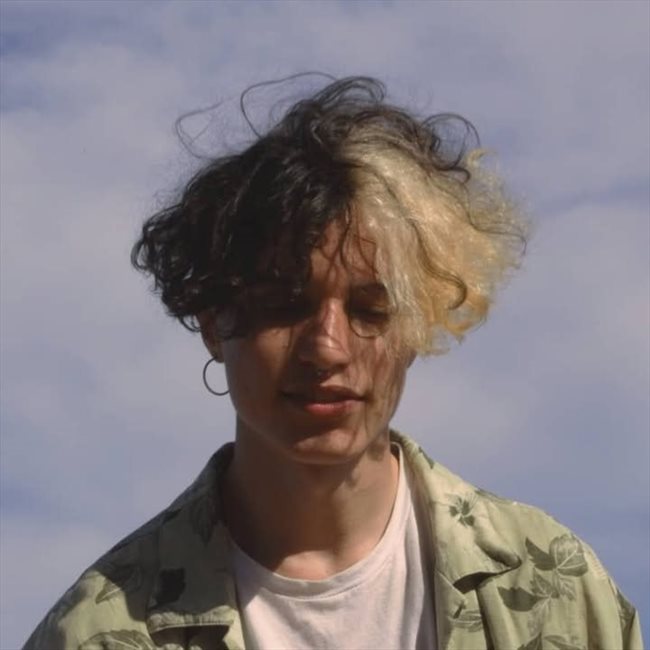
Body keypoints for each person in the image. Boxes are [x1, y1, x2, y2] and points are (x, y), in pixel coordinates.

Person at [24, 75, 642, 650]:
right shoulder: (99, 632)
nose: (327, 347)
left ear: (418, 322)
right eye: (284, 305)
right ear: (214, 323)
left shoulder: (554, 587)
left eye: (371, 309)